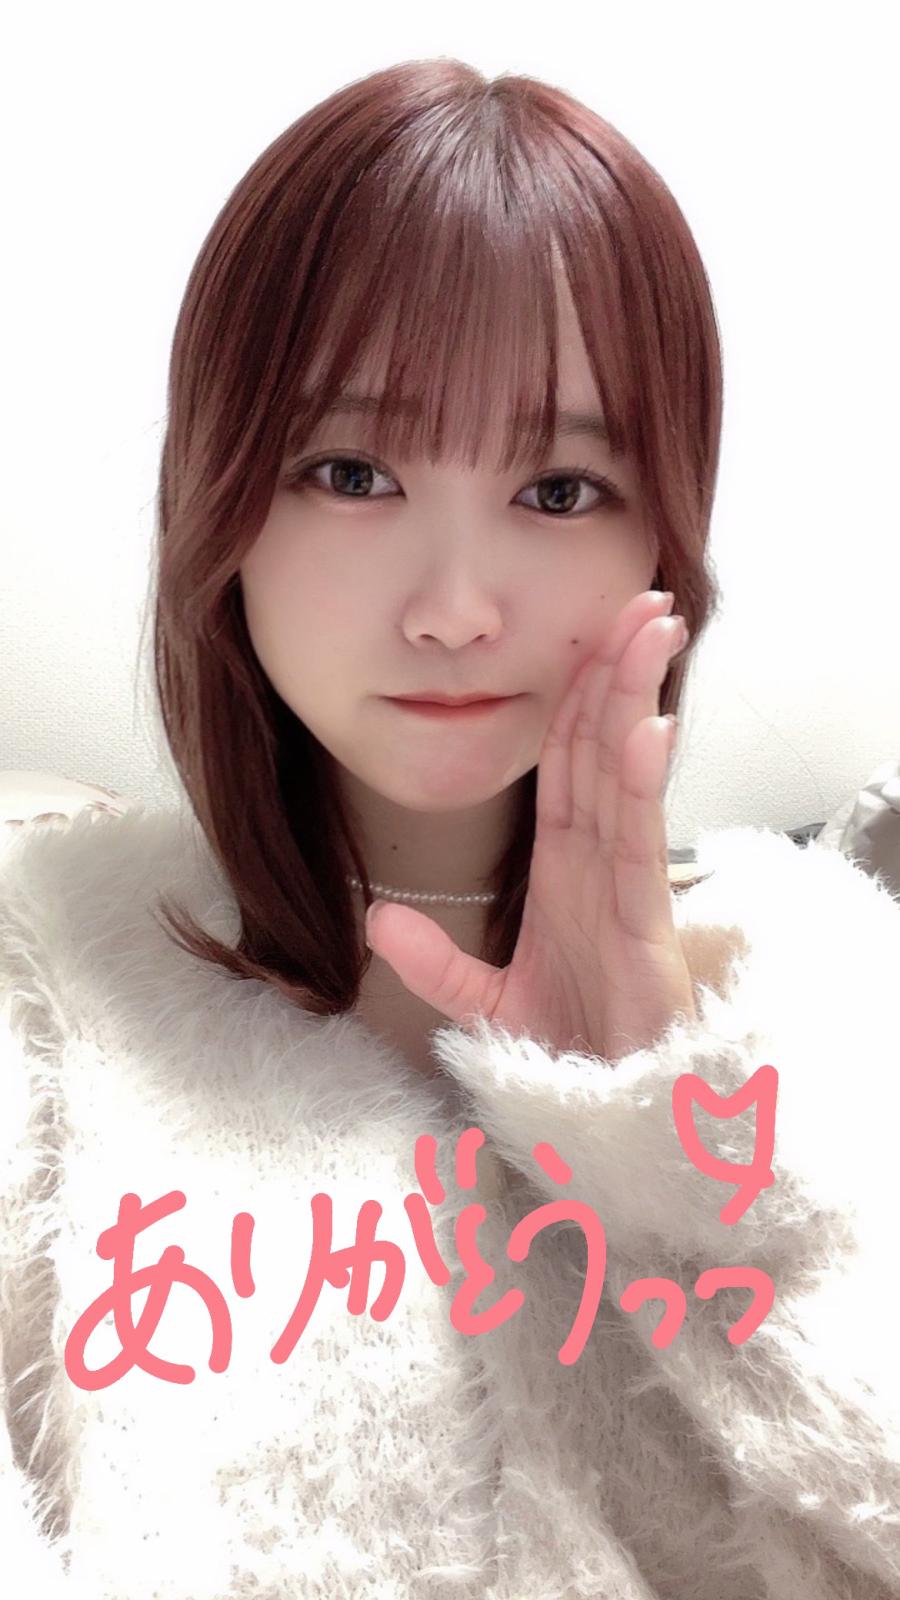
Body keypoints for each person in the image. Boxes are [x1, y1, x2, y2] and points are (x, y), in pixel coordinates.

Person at [2, 57, 899, 1600]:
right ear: (221, 494)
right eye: (352, 472)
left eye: (561, 488)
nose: (455, 609)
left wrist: (669, 1144)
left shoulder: (829, 982)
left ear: (665, 529)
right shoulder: (45, 986)